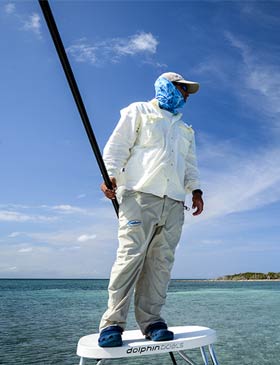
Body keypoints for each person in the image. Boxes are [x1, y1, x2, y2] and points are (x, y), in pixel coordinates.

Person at [97, 72, 204, 347]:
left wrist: (197, 191)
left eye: (188, 91)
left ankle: (152, 320)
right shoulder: (139, 111)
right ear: (167, 86)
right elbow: (118, 146)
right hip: (139, 195)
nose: (186, 95)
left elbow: (190, 164)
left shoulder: (185, 130)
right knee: (130, 258)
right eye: (183, 89)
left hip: (174, 203)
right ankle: (112, 324)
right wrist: (110, 175)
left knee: (161, 263)